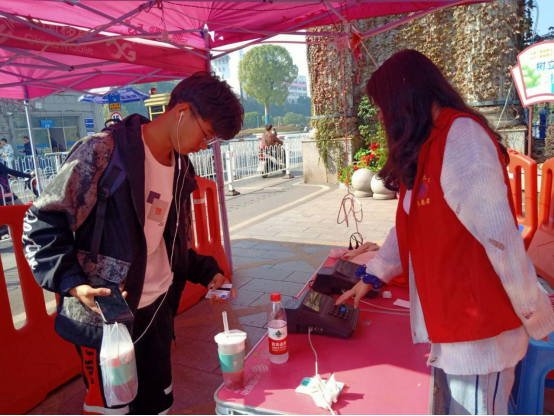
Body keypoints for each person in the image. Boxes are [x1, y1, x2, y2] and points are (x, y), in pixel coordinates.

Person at [336, 50, 554, 416]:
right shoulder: (427, 143)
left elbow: (501, 239)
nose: (382, 117)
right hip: (453, 321)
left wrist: (534, 314)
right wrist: (371, 276)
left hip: (482, 331)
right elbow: (407, 225)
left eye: (383, 107)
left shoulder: (462, 137)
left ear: (404, 98)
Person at [23, 72, 244, 415]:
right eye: (206, 134)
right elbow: (41, 223)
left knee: (157, 404)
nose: (205, 145)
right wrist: (73, 284)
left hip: (158, 309)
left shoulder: (182, 168)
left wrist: (206, 271)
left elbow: (168, 241)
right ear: (182, 111)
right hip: (107, 314)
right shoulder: (103, 152)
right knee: (114, 408)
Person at [0, 161, 34, 238]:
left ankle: (10, 232)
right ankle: (27, 230)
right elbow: (11, 171)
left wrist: (8, 176)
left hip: (5, 193)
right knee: (23, 211)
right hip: (5, 194)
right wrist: (28, 175)